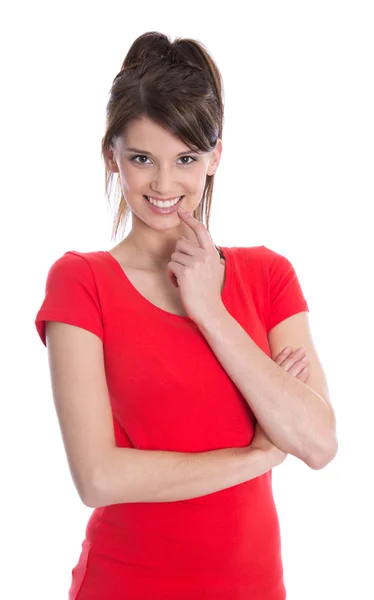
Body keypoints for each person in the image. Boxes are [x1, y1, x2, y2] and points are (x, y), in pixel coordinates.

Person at [34, 31, 335, 600]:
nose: (164, 185)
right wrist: (262, 454)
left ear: (215, 156)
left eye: (187, 158)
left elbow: (318, 443)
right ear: (111, 156)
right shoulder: (81, 282)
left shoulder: (269, 275)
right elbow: (98, 478)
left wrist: (211, 311)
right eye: (142, 158)